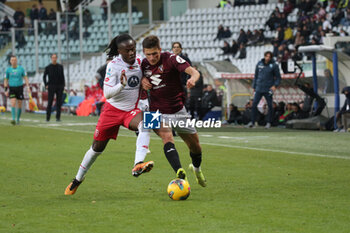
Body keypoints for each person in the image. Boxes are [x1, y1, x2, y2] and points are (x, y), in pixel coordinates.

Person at [64, 34, 179, 195]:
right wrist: (122, 85)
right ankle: (77, 179)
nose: (132, 53)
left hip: (132, 110)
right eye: (128, 50)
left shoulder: (141, 61)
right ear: (119, 51)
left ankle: (138, 163)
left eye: (133, 49)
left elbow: (152, 73)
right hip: (111, 111)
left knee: (147, 123)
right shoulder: (113, 66)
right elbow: (107, 93)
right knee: (97, 148)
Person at [141, 35, 207, 187]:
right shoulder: (142, 64)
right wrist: (141, 81)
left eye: (155, 54)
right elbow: (132, 78)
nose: (151, 58)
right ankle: (179, 172)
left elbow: (195, 72)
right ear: (144, 52)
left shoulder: (171, 59)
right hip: (154, 110)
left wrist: (193, 79)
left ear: (160, 49)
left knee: (195, 146)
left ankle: (196, 169)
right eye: (148, 54)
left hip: (177, 110)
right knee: (167, 136)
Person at [247, 51, 281, 129]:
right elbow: (256, 76)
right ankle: (252, 122)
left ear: (271, 57)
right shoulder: (259, 64)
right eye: (267, 56)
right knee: (254, 104)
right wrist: (254, 86)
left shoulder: (274, 65)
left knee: (270, 106)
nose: (268, 58)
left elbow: (278, 78)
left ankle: (268, 122)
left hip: (268, 88)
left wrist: (275, 86)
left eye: (269, 57)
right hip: (259, 88)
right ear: (264, 56)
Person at [3, 55, 30, 125]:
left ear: (16, 61)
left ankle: (18, 120)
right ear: (10, 61)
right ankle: (13, 119)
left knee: (20, 104)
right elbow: (5, 80)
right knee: (13, 102)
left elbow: (25, 78)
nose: (13, 61)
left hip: (20, 87)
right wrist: (5, 89)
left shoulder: (21, 69)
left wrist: (28, 86)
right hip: (12, 88)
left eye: (15, 60)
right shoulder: (8, 70)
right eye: (12, 60)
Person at [43, 54, 65, 122]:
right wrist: (46, 84)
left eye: (55, 57)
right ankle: (48, 117)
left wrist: (63, 85)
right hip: (51, 86)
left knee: (59, 102)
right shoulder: (48, 67)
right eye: (53, 58)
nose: (54, 59)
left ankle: (58, 117)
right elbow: (44, 76)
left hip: (59, 86)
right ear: (51, 58)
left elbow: (62, 76)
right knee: (50, 102)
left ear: (57, 58)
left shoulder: (60, 67)